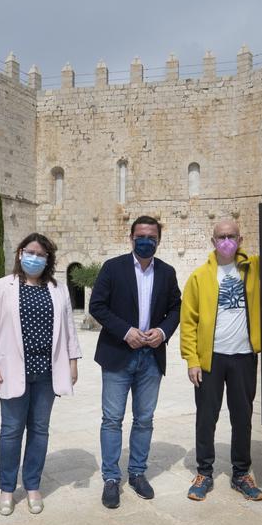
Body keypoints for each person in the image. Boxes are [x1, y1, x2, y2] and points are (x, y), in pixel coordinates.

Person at [0, 233, 82, 516]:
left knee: (39, 430)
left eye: (40, 254)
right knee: (11, 431)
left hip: (47, 371)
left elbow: (69, 327)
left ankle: (33, 484)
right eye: (29, 252)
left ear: (47, 259)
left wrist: (73, 361)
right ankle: (7, 488)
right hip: (11, 370)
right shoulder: (2, 287)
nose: (34, 257)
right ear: (20, 253)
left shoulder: (58, 288)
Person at [89, 215, 181, 509]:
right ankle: (111, 478)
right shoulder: (113, 268)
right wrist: (125, 331)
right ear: (131, 238)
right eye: (140, 236)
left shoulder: (167, 272)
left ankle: (138, 473)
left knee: (144, 420)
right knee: (112, 419)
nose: (145, 241)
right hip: (118, 355)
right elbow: (97, 306)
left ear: (158, 240)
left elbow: (176, 308)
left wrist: (164, 331)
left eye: (151, 237)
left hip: (150, 357)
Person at [179, 218, 262, 501]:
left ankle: (241, 473)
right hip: (210, 359)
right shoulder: (199, 276)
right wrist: (192, 359)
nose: (226, 241)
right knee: (206, 418)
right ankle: (204, 471)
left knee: (243, 417)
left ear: (240, 239)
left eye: (232, 236)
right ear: (213, 241)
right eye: (221, 237)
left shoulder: (253, 267)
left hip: (243, 356)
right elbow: (188, 320)